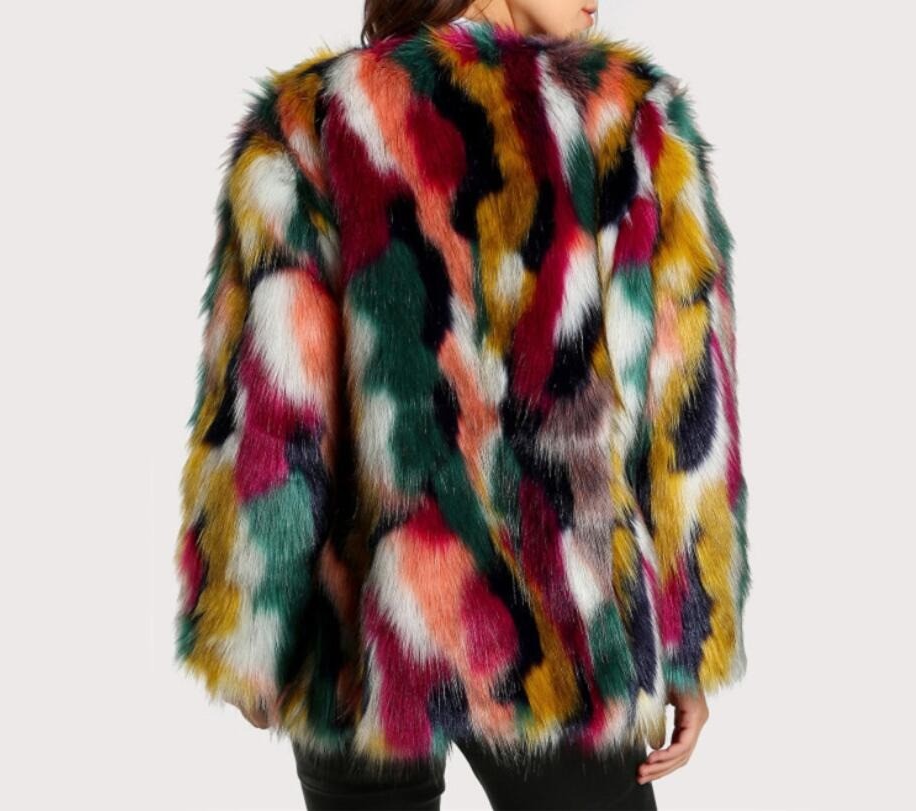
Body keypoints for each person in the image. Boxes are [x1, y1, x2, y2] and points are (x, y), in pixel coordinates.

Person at [172, 0, 751, 808]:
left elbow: (266, 413)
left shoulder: (310, 126)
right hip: (562, 637)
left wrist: (250, 628)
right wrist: (690, 635)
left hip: (362, 636)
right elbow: (685, 413)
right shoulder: (632, 125)